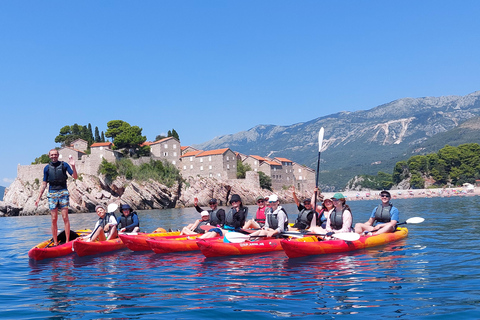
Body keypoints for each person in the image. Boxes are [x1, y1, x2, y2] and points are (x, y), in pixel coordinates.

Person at [34, 149, 78, 246]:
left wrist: (73, 166)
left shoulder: (64, 165)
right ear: (49, 156)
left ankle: (67, 241)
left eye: (55, 154)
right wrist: (38, 198)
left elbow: (75, 177)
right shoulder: (46, 168)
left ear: (58, 155)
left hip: (63, 192)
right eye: (52, 155)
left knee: (65, 217)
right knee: (54, 219)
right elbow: (44, 184)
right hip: (52, 193)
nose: (54, 156)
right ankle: (55, 242)